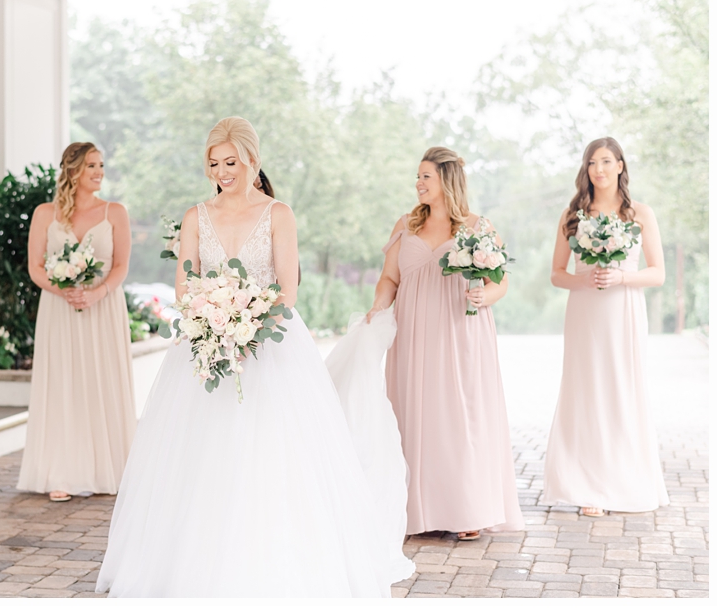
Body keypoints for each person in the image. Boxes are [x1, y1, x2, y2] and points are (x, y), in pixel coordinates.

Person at [95, 117, 413, 597]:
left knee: (273, 455)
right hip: (206, 347)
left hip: (272, 349)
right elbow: (186, 285)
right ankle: (194, 567)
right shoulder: (195, 217)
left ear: (252, 160)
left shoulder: (278, 214)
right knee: (200, 458)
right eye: (214, 164)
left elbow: (288, 289)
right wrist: (213, 319)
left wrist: (248, 322)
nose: (222, 172)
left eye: (231, 162)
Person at [367, 146, 523, 541]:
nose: (417, 184)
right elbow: (390, 279)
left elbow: (500, 282)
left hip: (460, 334)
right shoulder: (405, 224)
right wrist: (378, 308)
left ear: (446, 181)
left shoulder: (477, 227)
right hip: (413, 334)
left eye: (425, 177)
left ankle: (467, 509)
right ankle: (416, 511)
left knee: (458, 417)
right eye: (417, 177)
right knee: (414, 414)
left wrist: (485, 297)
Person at [542, 137, 669, 517]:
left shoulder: (640, 213)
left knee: (621, 387)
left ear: (620, 166)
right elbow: (556, 274)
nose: (598, 169)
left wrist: (621, 278)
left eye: (606, 161)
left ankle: (624, 478)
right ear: (586, 170)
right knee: (586, 389)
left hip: (624, 309)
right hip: (585, 311)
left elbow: (657, 273)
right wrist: (585, 279)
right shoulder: (572, 216)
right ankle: (587, 485)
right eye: (592, 163)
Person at [17, 142, 137, 502]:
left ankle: (112, 469)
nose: (99, 172)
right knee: (63, 386)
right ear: (72, 171)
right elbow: (35, 267)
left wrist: (96, 293)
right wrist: (63, 288)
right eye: (91, 166)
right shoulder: (44, 214)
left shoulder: (115, 212)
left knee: (100, 381)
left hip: (103, 309)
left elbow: (121, 267)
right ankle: (61, 472)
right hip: (59, 310)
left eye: (101, 165)